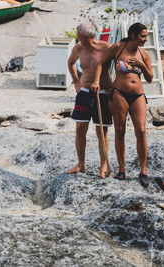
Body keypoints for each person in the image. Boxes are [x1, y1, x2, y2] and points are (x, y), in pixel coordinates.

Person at [106, 23, 153, 187]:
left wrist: (141, 65)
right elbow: (103, 64)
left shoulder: (144, 53)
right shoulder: (118, 48)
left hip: (138, 94)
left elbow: (150, 78)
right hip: (119, 92)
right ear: (133, 36)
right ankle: (121, 169)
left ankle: (144, 170)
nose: (145, 39)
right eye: (142, 36)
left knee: (141, 131)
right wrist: (108, 84)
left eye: (146, 36)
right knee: (120, 130)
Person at [67, 22, 112, 179]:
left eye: (79, 37)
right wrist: (76, 82)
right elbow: (70, 63)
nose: (78, 40)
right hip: (84, 92)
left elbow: (119, 64)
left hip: (103, 92)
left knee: (102, 131)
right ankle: (81, 163)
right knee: (80, 128)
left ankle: (104, 164)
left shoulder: (106, 47)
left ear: (87, 37)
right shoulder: (79, 48)